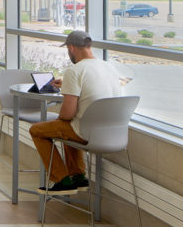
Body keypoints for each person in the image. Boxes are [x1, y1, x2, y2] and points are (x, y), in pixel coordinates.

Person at [29, 30, 122, 194]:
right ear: (89, 45)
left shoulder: (75, 70)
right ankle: (78, 176)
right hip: (114, 133)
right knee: (66, 127)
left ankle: (62, 180)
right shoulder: (109, 67)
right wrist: (67, 85)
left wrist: (59, 118)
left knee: (38, 129)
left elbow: (67, 114)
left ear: (71, 48)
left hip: (87, 133)